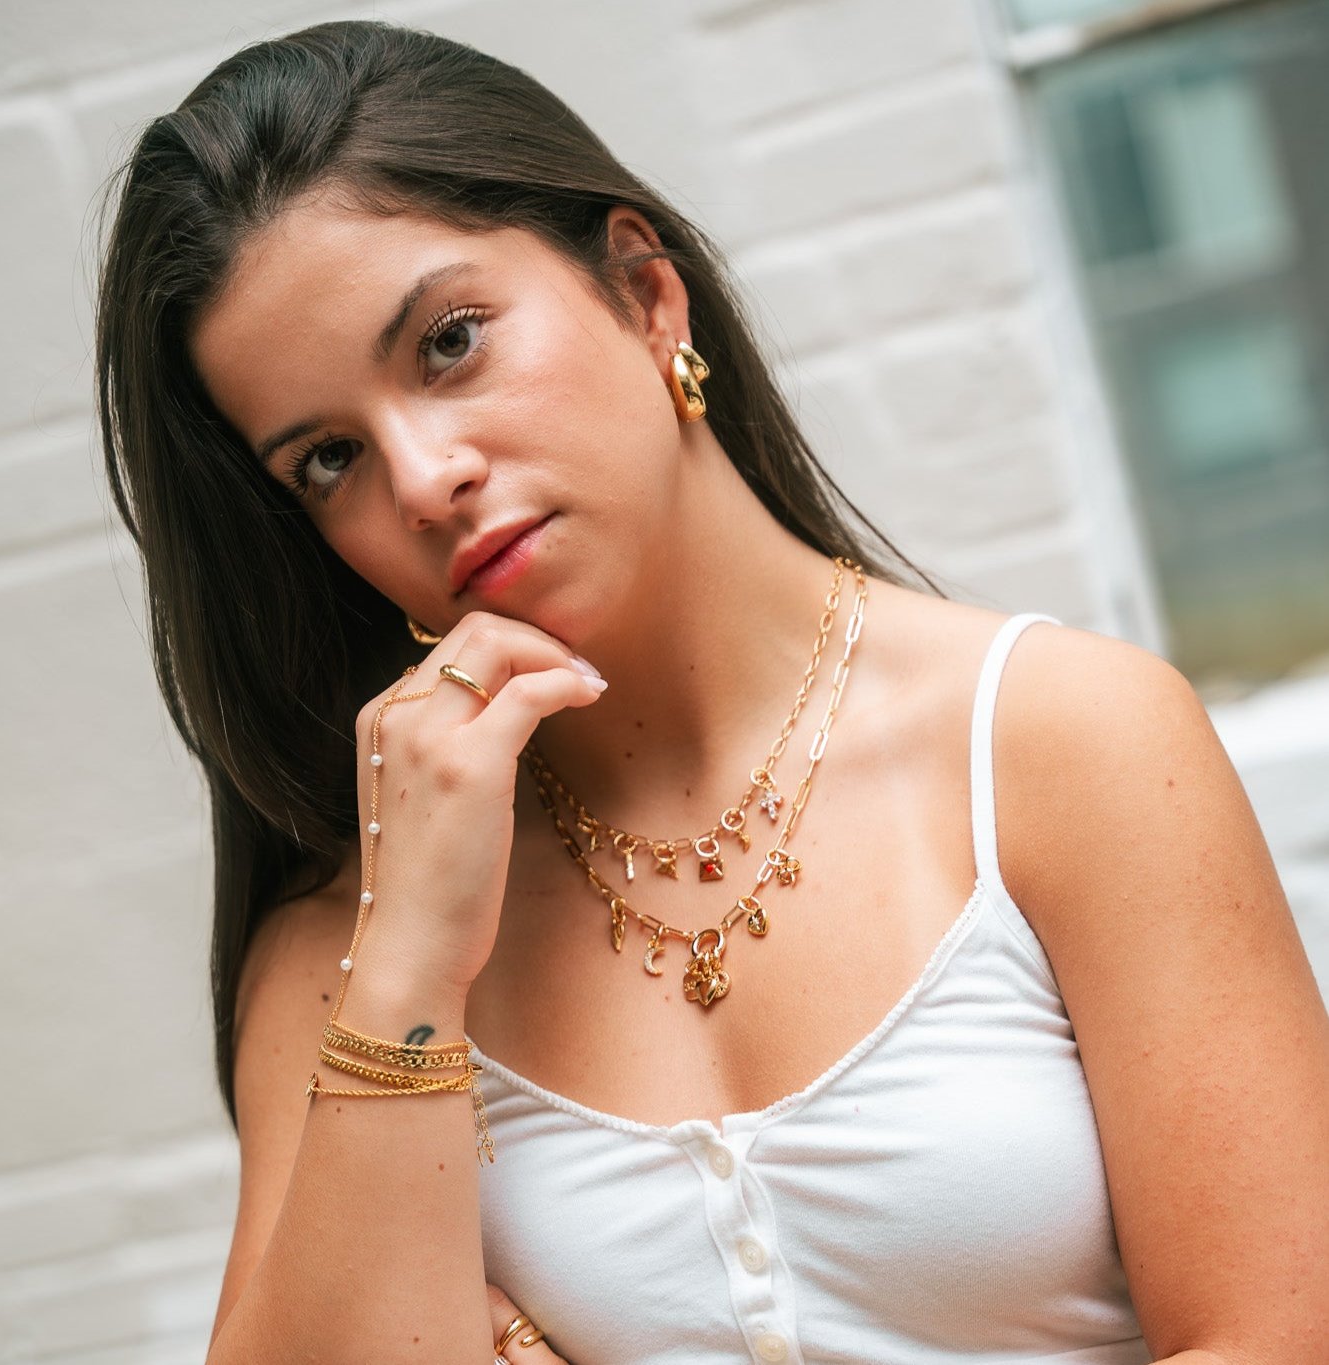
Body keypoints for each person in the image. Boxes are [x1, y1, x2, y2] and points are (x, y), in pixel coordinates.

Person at [94, 19, 1329, 1365]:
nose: (424, 478)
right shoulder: (345, 955)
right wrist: (411, 960)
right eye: (328, 460)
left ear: (644, 294)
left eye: (448, 342)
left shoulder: (1064, 742)